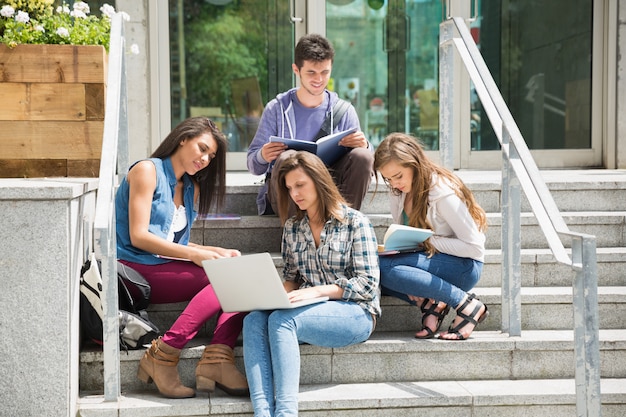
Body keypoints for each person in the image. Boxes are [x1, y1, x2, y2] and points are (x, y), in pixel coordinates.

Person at [115, 117, 248, 398]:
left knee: (237, 274)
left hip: (159, 264)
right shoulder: (146, 171)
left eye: (210, 156)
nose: (205, 159)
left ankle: (218, 359)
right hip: (132, 266)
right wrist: (196, 254)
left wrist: (215, 251)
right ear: (182, 139)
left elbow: (172, 241)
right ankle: (164, 354)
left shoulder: (190, 188)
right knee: (227, 281)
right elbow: (139, 236)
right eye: (201, 148)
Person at [243, 151, 381, 416]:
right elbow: (292, 279)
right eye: (289, 188)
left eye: (300, 185)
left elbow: (367, 285)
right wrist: (267, 297)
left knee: (282, 321)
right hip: (308, 309)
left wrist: (319, 291)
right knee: (254, 320)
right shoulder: (293, 227)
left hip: (356, 313)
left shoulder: (355, 222)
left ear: (319, 181)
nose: (295, 193)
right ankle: (262, 412)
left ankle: (285, 413)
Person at [373, 132, 489, 340]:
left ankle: (466, 303)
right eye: (388, 179)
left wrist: (427, 241)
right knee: (371, 269)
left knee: (384, 267)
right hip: (430, 260)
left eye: (398, 176)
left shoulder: (441, 192)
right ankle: (431, 303)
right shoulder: (398, 191)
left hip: (464, 266)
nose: (394, 183)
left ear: (415, 164)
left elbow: (475, 247)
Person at [247, 33, 374, 216]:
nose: (319, 79)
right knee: (287, 158)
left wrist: (365, 146)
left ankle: (345, 228)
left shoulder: (344, 110)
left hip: (328, 189)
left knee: (363, 156)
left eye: (325, 72)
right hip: (287, 194)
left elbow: (367, 163)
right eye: (311, 72)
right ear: (296, 70)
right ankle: (297, 235)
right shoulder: (276, 109)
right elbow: (254, 166)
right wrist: (263, 155)